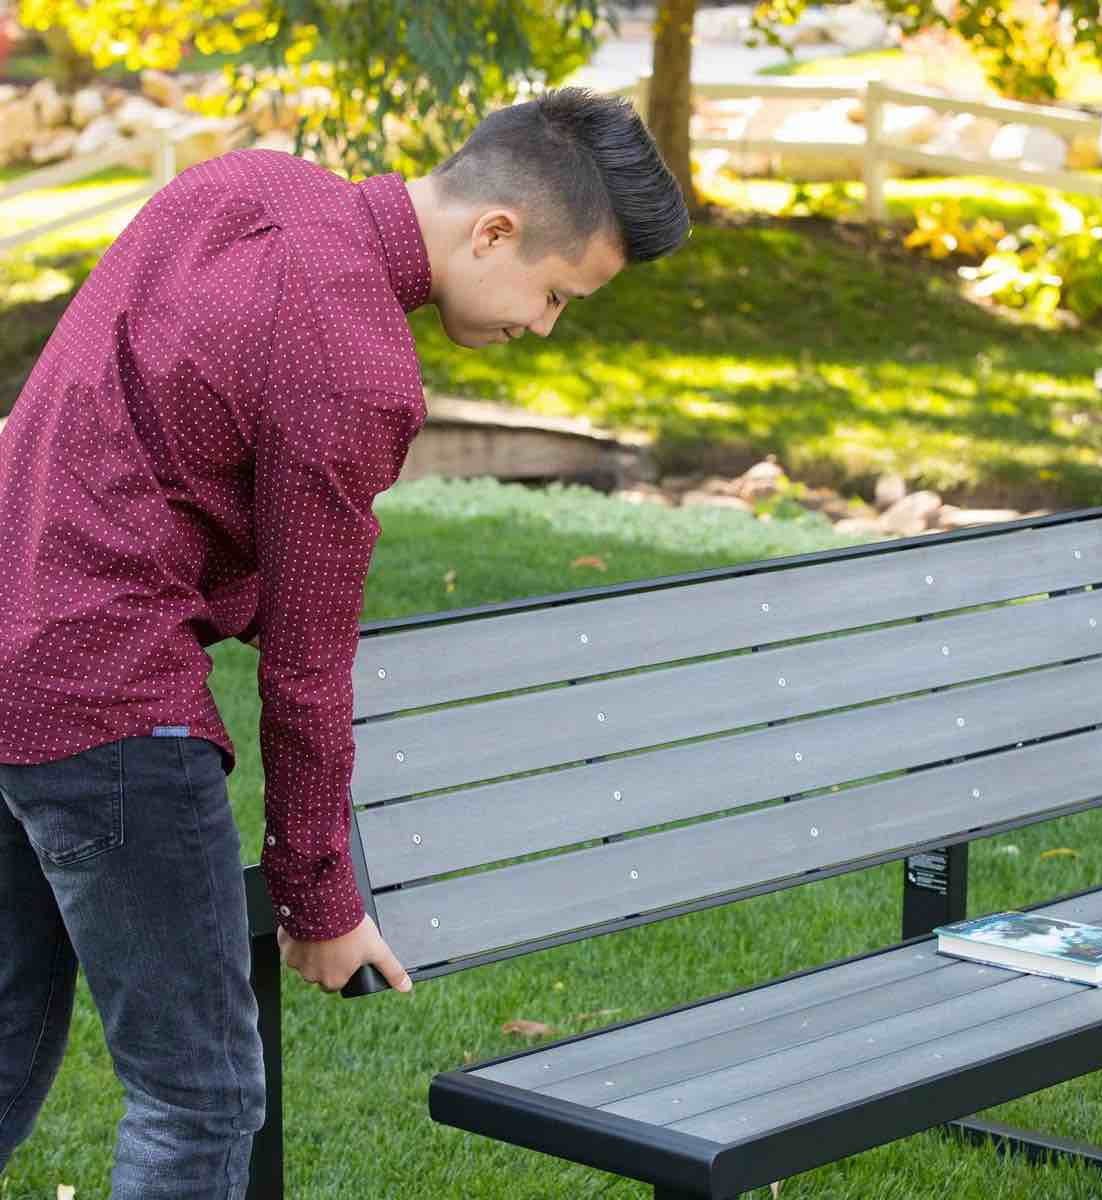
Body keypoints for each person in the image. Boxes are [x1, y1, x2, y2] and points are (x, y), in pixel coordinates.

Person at [0, 86, 689, 1199]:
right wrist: (319, 902)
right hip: (105, 698)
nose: (545, 326)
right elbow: (306, 673)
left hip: (12, 641)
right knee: (200, 1099)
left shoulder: (246, 183)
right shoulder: (357, 366)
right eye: (557, 293)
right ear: (494, 230)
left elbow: (123, 414)